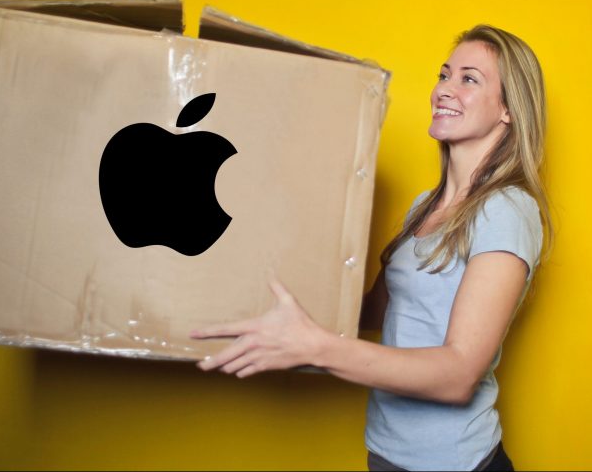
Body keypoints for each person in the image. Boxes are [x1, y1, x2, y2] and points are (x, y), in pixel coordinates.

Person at [190, 24, 552, 471]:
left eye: (469, 79)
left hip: (455, 463)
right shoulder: (426, 206)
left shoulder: (507, 211)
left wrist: (314, 348)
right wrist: (261, 297)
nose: (444, 89)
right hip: (386, 454)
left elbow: (459, 375)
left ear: (509, 111)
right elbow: (372, 312)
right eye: (444, 74)